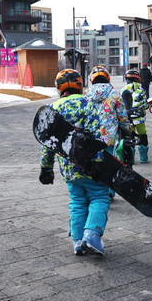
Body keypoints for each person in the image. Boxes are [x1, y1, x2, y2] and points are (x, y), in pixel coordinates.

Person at [39, 69, 109, 256]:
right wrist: (97, 161)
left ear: (58, 88)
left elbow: (48, 143)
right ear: (80, 85)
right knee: (99, 196)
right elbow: (97, 135)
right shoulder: (87, 104)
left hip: (68, 168)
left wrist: (46, 168)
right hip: (89, 164)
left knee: (77, 201)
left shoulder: (52, 109)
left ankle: (78, 242)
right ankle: (92, 235)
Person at [86, 66, 131, 201]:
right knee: (110, 162)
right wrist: (127, 130)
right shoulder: (114, 94)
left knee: (95, 162)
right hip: (110, 137)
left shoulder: (87, 94)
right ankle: (110, 192)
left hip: (93, 136)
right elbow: (122, 116)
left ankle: (96, 191)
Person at [120, 69, 149, 163]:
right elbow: (145, 105)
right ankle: (143, 158)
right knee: (143, 135)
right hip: (139, 119)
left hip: (128, 119)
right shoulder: (141, 91)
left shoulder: (122, 90)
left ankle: (131, 159)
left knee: (130, 138)